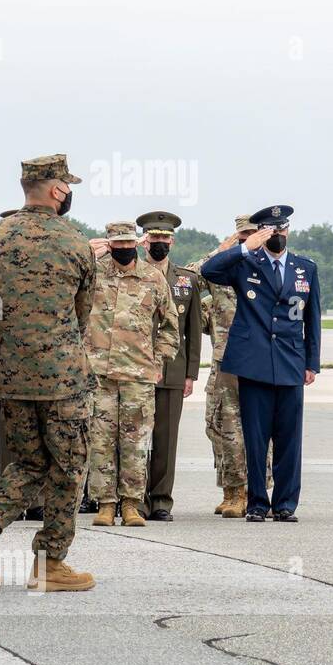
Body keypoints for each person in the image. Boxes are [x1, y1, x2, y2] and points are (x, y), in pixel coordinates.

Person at [0, 154, 96, 593]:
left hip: (8, 373)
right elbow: (82, 315)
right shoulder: (76, 242)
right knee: (68, 467)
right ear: (58, 190)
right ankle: (51, 563)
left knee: (30, 462)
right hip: (62, 375)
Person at [201, 205, 320, 522]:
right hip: (253, 363)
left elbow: (313, 319)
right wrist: (242, 247)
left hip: (291, 363)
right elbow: (208, 271)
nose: (277, 235)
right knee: (255, 437)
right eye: (270, 230)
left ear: (288, 231)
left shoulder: (304, 268)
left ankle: (284, 504)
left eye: (282, 229)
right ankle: (256, 502)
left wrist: (312, 363)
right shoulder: (246, 264)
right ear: (260, 233)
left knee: (289, 439)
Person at [84, 221, 178, 527]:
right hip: (99, 375)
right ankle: (106, 504)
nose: (123, 249)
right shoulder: (92, 273)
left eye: (128, 244)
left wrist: (158, 361)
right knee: (100, 441)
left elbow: (170, 327)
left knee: (135, 442)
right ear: (109, 245)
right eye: (117, 244)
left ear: (137, 244)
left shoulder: (152, 278)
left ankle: (132, 504)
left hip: (138, 375)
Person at [185, 216, 261, 517]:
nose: (246, 240)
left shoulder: (264, 268)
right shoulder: (223, 267)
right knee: (220, 428)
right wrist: (219, 251)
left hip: (256, 361)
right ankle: (231, 490)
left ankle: (250, 492)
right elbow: (187, 280)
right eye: (242, 236)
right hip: (224, 361)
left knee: (254, 431)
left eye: (252, 235)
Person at [137, 211, 203, 522]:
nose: (160, 243)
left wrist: (190, 374)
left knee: (165, 439)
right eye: (154, 238)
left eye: (165, 238)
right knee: (133, 438)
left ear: (172, 241)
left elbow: (192, 332)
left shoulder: (186, 280)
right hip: (133, 368)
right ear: (143, 241)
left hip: (172, 371)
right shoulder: (130, 274)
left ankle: (161, 500)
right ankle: (134, 500)